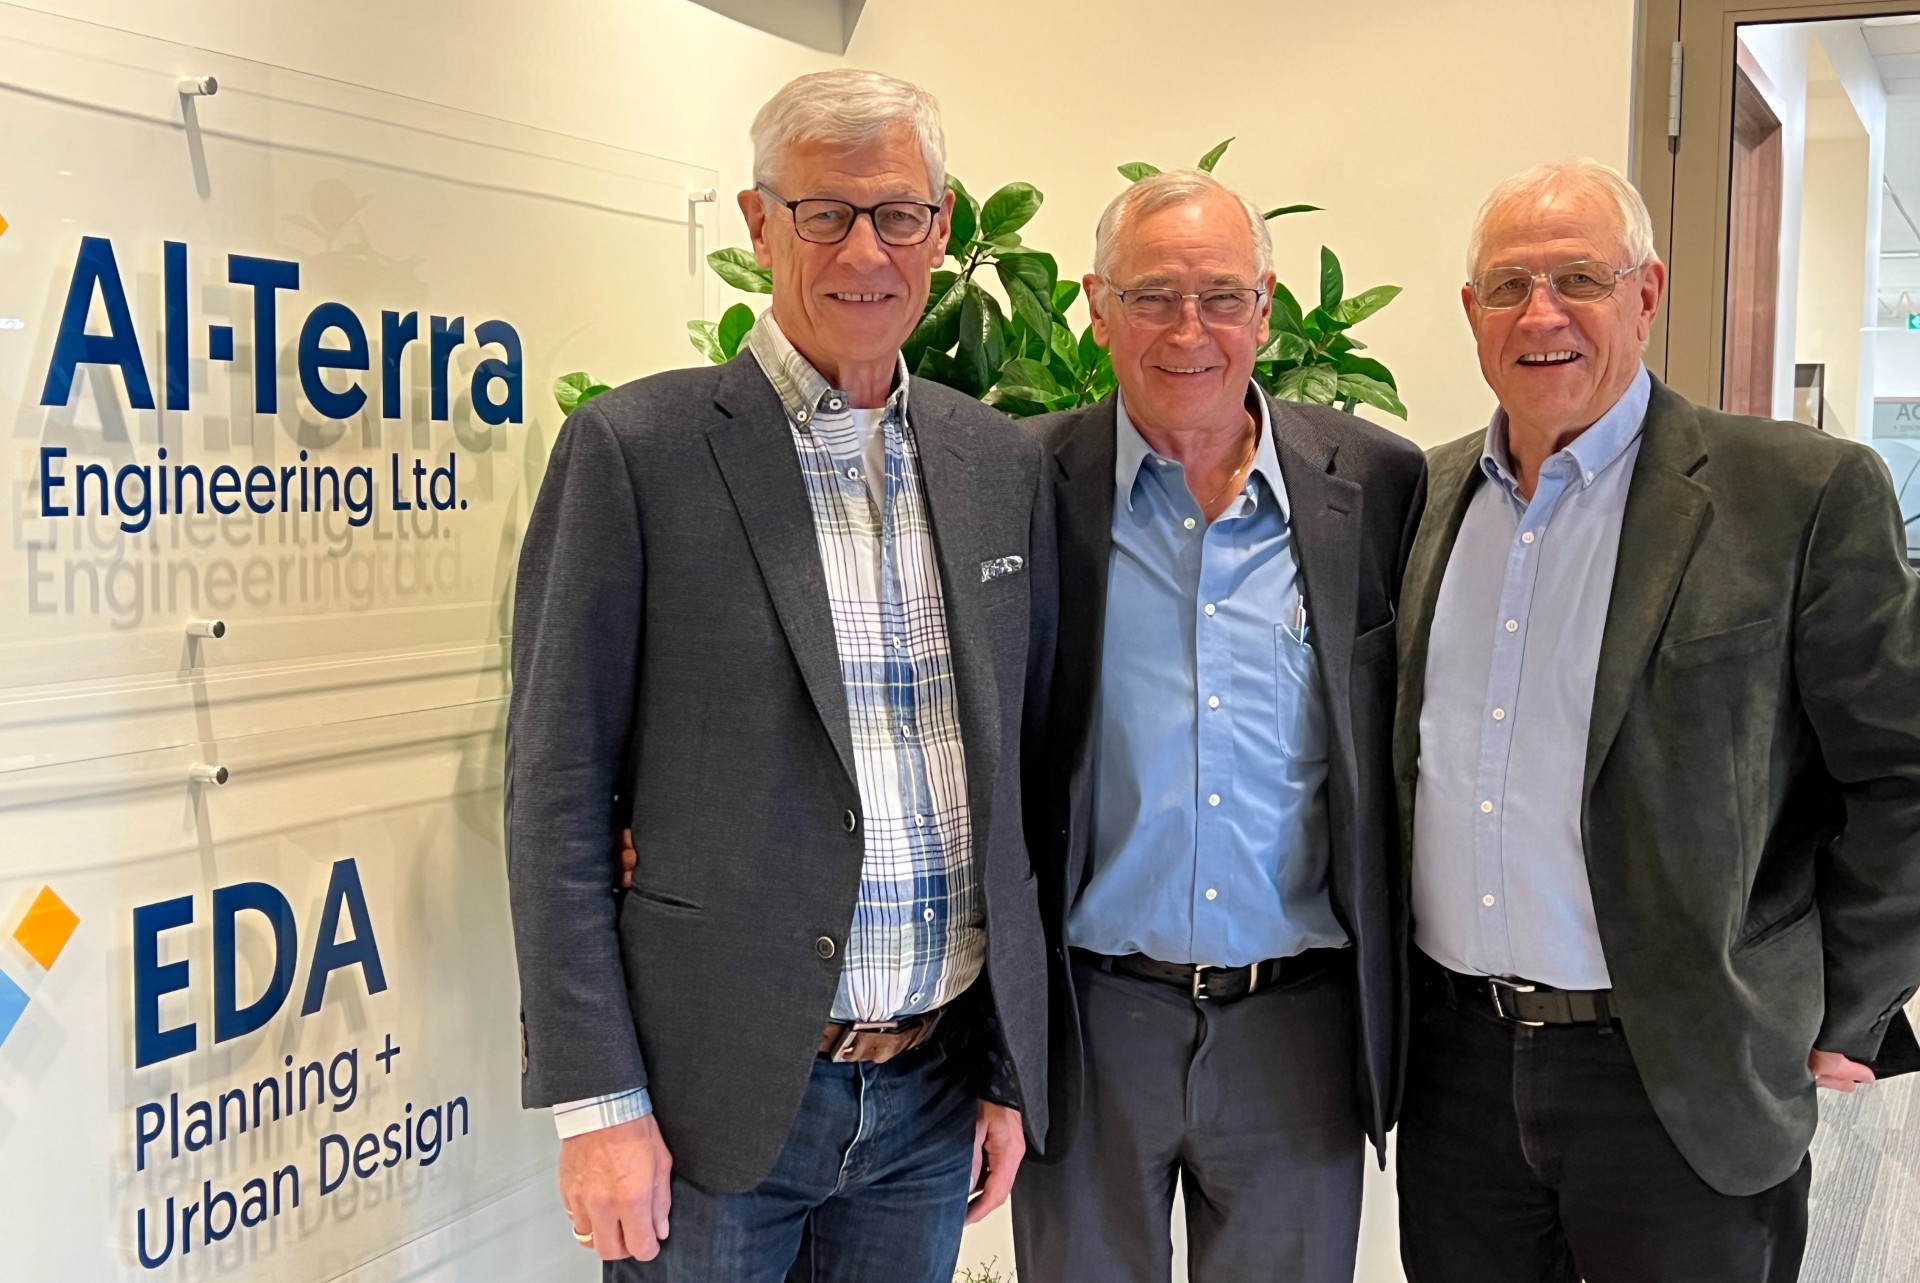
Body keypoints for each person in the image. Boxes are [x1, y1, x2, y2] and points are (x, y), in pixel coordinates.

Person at [504, 68, 1057, 1283]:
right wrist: (598, 1101)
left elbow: (1021, 770)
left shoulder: (994, 462)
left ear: (943, 225)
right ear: (760, 228)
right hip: (715, 1098)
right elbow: (554, 796)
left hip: (930, 1093)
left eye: (898, 213)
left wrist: (1009, 1067)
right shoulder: (636, 452)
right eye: (826, 212)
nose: (867, 247)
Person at [1393, 157, 1920, 1283]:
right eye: (1508, 284)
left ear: (1647, 292)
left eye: (1579, 276)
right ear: (1472, 312)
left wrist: (1848, 1006)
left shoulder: (1798, 493)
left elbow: (1901, 770)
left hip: (1680, 1067)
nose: (1542, 314)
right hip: (1457, 1071)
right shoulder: (1423, 498)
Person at [1011, 169, 1425, 1283]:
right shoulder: (1023, 483)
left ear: (1267, 307)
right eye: (1152, 297)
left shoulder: (1375, 485)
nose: (1188, 331)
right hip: (1094, 1021)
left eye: (1221, 296)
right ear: (1096, 306)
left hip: (1295, 1020)